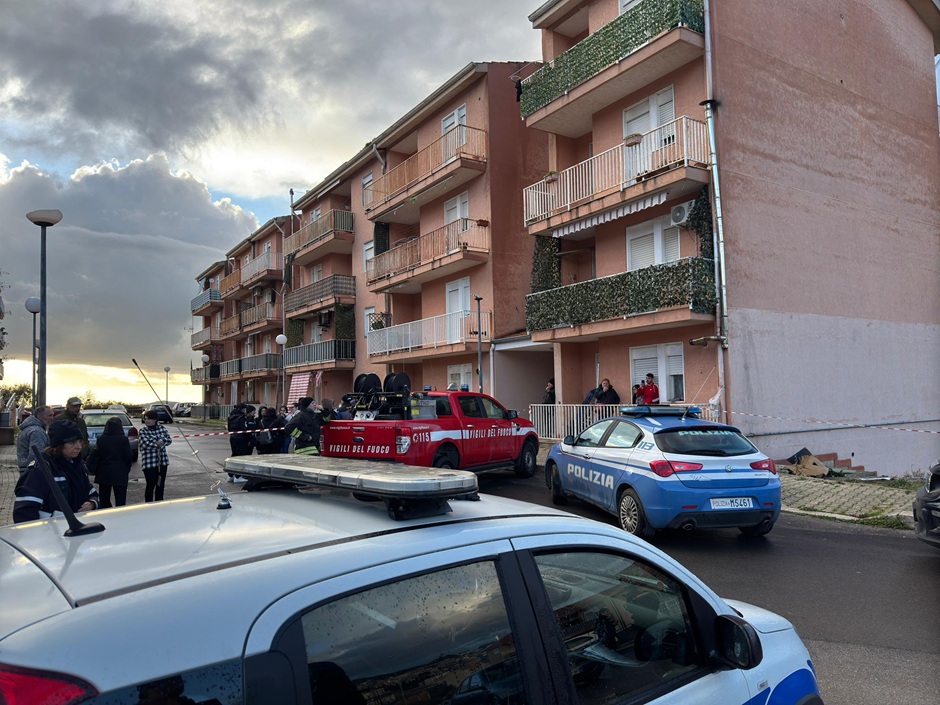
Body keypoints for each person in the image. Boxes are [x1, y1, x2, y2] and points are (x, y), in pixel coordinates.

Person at [13, 419, 99, 523]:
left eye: (80, 441)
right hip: (52, 530)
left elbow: (92, 493)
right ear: (59, 445)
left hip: (78, 527)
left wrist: (92, 503)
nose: (79, 447)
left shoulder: (78, 466)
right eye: (72, 442)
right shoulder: (41, 469)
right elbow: (24, 511)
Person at [92, 416, 133, 508]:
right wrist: (127, 467)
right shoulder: (123, 439)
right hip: (120, 471)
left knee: (104, 498)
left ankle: (107, 512)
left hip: (104, 471)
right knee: (120, 499)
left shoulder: (101, 439)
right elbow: (128, 456)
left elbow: (97, 454)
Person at [139, 409, 173, 502]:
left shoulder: (162, 428)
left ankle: (159, 503)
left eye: (149, 419)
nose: (146, 421)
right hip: (149, 463)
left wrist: (160, 442)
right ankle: (149, 504)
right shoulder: (143, 431)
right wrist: (158, 443)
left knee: (160, 484)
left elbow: (168, 440)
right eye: (145, 419)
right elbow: (145, 444)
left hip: (162, 462)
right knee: (150, 485)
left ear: (155, 419)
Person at [16, 404, 55, 476]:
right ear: (39, 416)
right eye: (49, 415)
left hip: (26, 468)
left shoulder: (28, 428)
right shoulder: (37, 431)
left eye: (53, 415)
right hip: (33, 470)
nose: (52, 418)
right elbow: (37, 455)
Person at [227, 404, 254, 482]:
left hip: (233, 437)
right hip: (241, 438)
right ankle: (238, 476)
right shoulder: (241, 417)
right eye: (245, 409)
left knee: (234, 455)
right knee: (240, 457)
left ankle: (230, 475)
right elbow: (244, 429)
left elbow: (229, 428)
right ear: (242, 409)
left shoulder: (231, 417)